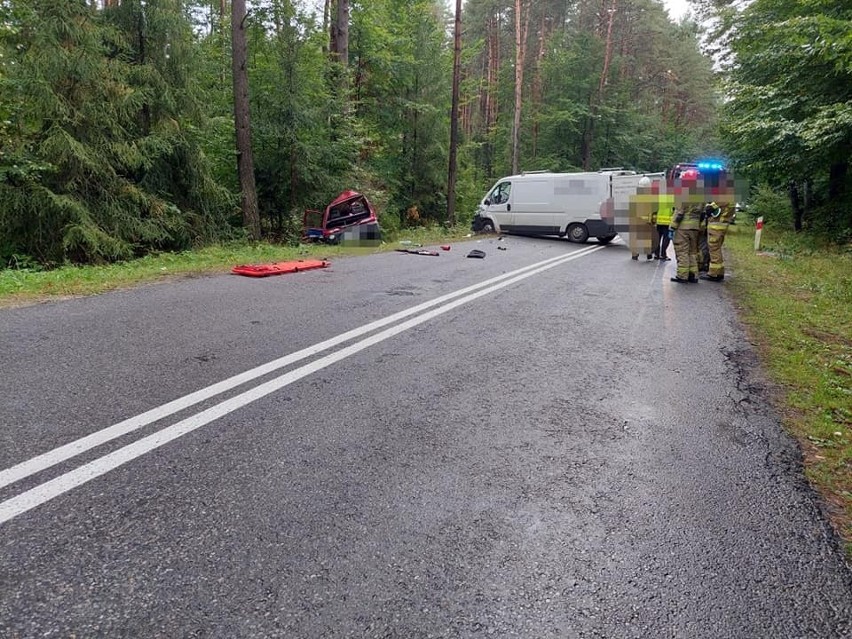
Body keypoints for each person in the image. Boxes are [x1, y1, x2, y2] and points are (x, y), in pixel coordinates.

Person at [668, 183, 703, 283]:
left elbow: (679, 213)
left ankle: (682, 276)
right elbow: (703, 214)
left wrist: (672, 227)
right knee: (692, 252)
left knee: (682, 251)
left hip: (683, 228)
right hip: (695, 228)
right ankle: (693, 275)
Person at [701, 201, 736, 281]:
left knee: (714, 250)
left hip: (715, 227)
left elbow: (709, 209)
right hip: (722, 226)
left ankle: (714, 273)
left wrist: (708, 206)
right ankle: (719, 272)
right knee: (717, 249)